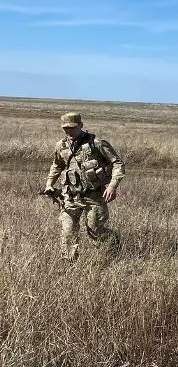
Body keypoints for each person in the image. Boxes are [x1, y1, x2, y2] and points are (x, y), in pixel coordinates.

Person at [43, 112, 125, 261]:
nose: (69, 131)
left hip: (93, 196)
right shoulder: (61, 146)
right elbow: (57, 165)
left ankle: (113, 248)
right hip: (71, 196)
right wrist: (49, 184)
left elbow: (117, 163)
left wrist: (112, 186)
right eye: (65, 128)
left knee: (95, 231)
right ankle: (69, 264)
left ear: (81, 125)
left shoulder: (96, 143)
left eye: (72, 128)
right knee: (67, 231)